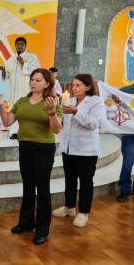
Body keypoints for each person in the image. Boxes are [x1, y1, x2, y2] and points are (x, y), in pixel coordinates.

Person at [0, 68, 62, 245]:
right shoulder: (22, 101)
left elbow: (57, 129)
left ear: (47, 83)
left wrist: (52, 112)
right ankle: (26, 223)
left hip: (44, 148)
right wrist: (1, 106)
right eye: (32, 79)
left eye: (38, 80)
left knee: (43, 189)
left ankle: (42, 229)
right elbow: (7, 122)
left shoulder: (52, 101)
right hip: (25, 147)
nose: (33, 82)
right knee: (28, 187)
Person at [52, 74, 105, 227]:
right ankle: (69, 207)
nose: (73, 88)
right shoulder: (70, 100)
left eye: (78, 85)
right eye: (73, 85)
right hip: (69, 147)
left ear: (88, 87)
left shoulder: (96, 102)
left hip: (86, 150)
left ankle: (83, 212)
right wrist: (56, 111)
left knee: (86, 182)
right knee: (69, 179)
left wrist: (76, 112)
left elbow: (96, 123)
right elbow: (63, 123)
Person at [5, 37, 39, 139]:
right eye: (17, 44)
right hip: (13, 90)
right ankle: (14, 131)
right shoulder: (11, 59)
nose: (19, 46)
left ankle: (25, 131)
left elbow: (35, 71)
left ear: (25, 46)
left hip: (25, 88)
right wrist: (3, 73)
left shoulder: (31, 57)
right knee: (14, 109)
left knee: (25, 109)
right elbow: (8, 74)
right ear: (15, 46)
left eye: (21, 44)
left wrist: (23, 63)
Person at [116, 82, 134, 202]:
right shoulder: (127, 90)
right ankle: (125, 190)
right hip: (129, 133)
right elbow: (112, 96)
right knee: (127, 164)